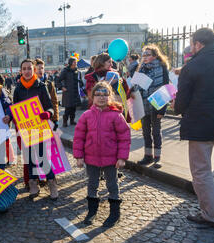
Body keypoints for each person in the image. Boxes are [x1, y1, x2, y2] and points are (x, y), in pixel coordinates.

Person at [174, 28, 214, 229]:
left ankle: (212, 214)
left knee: (201, 171)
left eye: (192, 44)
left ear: (198, 44)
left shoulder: (192, 66)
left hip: (200, 125)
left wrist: (177, 107)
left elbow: (181, 102)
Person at [73, 81, 131, 227]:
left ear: (110, 96)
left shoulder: (116, 116)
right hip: (91, 158)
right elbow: (79, 137)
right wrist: (79, 156)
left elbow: (124, 137)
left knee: (112, 184)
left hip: (111, 159)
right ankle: (92, 210)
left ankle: (114, 213)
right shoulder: (86, 115)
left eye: (105, 94)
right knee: (92, 184)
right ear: (92, 97)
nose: (101, 97)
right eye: (98, 94)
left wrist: (122, 157)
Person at [13, 59, 57, 200]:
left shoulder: (41, 86)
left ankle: (52, 183)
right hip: (25, 129)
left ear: (34, 70)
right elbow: (14, 109)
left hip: (40, 128)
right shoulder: (18, 89)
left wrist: (48, 113)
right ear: (21, 71)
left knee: (43, 157)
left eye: (29, 68)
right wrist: (15, 122)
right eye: (24, 68)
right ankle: (33, 184)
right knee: (30, 158)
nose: (27, 71)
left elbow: (50, 106)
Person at [135, 44, 170, 168]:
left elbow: (166, 87)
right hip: (143, 105)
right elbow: (136, 88)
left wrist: (163, 109)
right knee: (145, 132)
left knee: (156, 132)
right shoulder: (141, 69)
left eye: (147, 54)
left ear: (155, 55)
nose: (144, 57)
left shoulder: (162, 67)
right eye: (143, 54)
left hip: (157, 105)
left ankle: (157, 158)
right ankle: (147, 156)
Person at [35, 58, 59, 130]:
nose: (40, 70)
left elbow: (54, 101)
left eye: (42, 68)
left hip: (48, 117)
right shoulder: (31, 84)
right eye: (38, 68)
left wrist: (55, 118)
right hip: (35, 120)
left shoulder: (49, 84)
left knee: (48, 140)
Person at [58, 57, 83, 126]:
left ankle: (72, 121)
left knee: (73, 109)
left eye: (76, 62)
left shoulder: (78, 71)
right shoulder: (65, 71)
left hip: (75, 93)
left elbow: (80, 81)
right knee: (68, 109)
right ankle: (65, 122)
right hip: (68, 93)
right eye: (75, 62)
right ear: (71, 63)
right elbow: (58, 80)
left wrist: (81, 85)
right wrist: (62, 87)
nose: (76, 63)